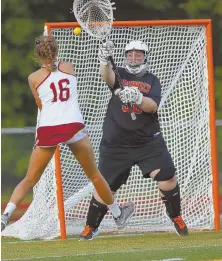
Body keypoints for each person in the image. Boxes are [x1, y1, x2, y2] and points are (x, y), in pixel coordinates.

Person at [1, 35, 135, 233]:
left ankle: (5, 216)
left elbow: (41, 105)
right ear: (56, 51)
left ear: (37, 55)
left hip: (49, 129)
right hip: (73, 126)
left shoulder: (33, 78)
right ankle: (117, 214)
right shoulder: (70, 67)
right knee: (95, 176)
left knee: (30, 178)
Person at [79, 40, 189, 240]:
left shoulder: (152, 80)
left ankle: (176, 217)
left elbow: (152, 106)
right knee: (105, 186)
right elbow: (107, 75)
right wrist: (104, 60)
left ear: (145, 56)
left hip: (147, 142)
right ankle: (90, 227)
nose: (134, 57)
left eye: (138, 54)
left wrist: (138, 98)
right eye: (130, 54)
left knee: (167, 177)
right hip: (116, 143)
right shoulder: (119, 73)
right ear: (125, 56)